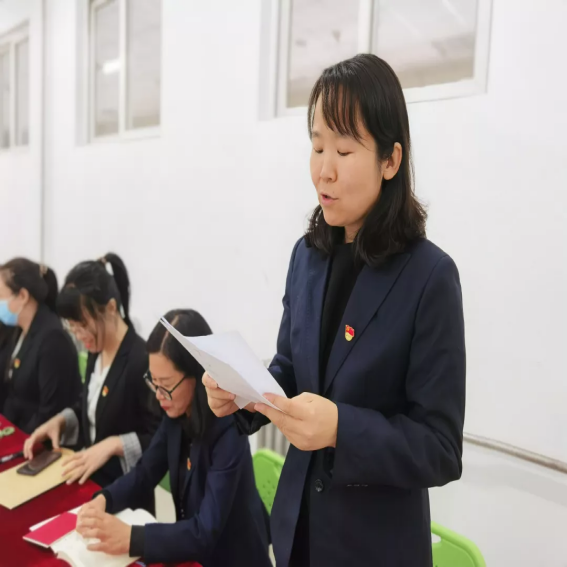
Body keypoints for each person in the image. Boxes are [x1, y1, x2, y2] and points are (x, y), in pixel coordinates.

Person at [203, 54, 466, 567]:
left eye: (344, 150)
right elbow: (290, 368)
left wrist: (342, 429)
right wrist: (242, 393)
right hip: (297, 533)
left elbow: (439, 447)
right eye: (317, 145)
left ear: (390, 161)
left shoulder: (429, 277)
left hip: (373, 548)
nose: (324, 169)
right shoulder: (307, 256)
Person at [75, 309, 271, 567]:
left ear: (199, 375)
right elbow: (145, 472)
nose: (158, 395)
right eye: (153, 382)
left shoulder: (229, 427)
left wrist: (132, 538)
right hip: (192, 552)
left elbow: (205, 530)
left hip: (233, 557)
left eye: (166, 385)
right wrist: (104, 498)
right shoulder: (176, 412)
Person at [23, 254, 160, 508]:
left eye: (83, 325)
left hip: (125, 497)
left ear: (110, 308)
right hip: (92, 484)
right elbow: (90, 406)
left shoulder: (141, 360)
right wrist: (60, 421)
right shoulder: (97, 350)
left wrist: (115, 444)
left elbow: (161, 438)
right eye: (72, 327)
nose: (78, 335)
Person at [0, 258, 81, 433]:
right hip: (14, 430)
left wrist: (19, 441)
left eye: (0, 296)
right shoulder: (17, 331)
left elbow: (50, 411)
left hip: (38, 439)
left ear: (22, 296)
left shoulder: (53, 339)